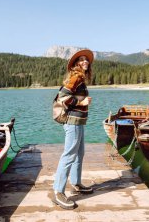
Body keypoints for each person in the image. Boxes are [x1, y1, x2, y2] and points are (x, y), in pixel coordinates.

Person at [52, 49, 94, 210]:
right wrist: (80, 102)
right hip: (72, 122)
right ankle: (58, 192)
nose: (85, 62)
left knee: (79, 153)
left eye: (86, 60)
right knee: (69, 155)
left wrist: (81, 100)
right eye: (81, 60)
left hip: (79, 122)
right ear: (76, 64)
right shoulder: (76, 76)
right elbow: (62, 97)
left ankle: (76, 183)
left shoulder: (80, 78)